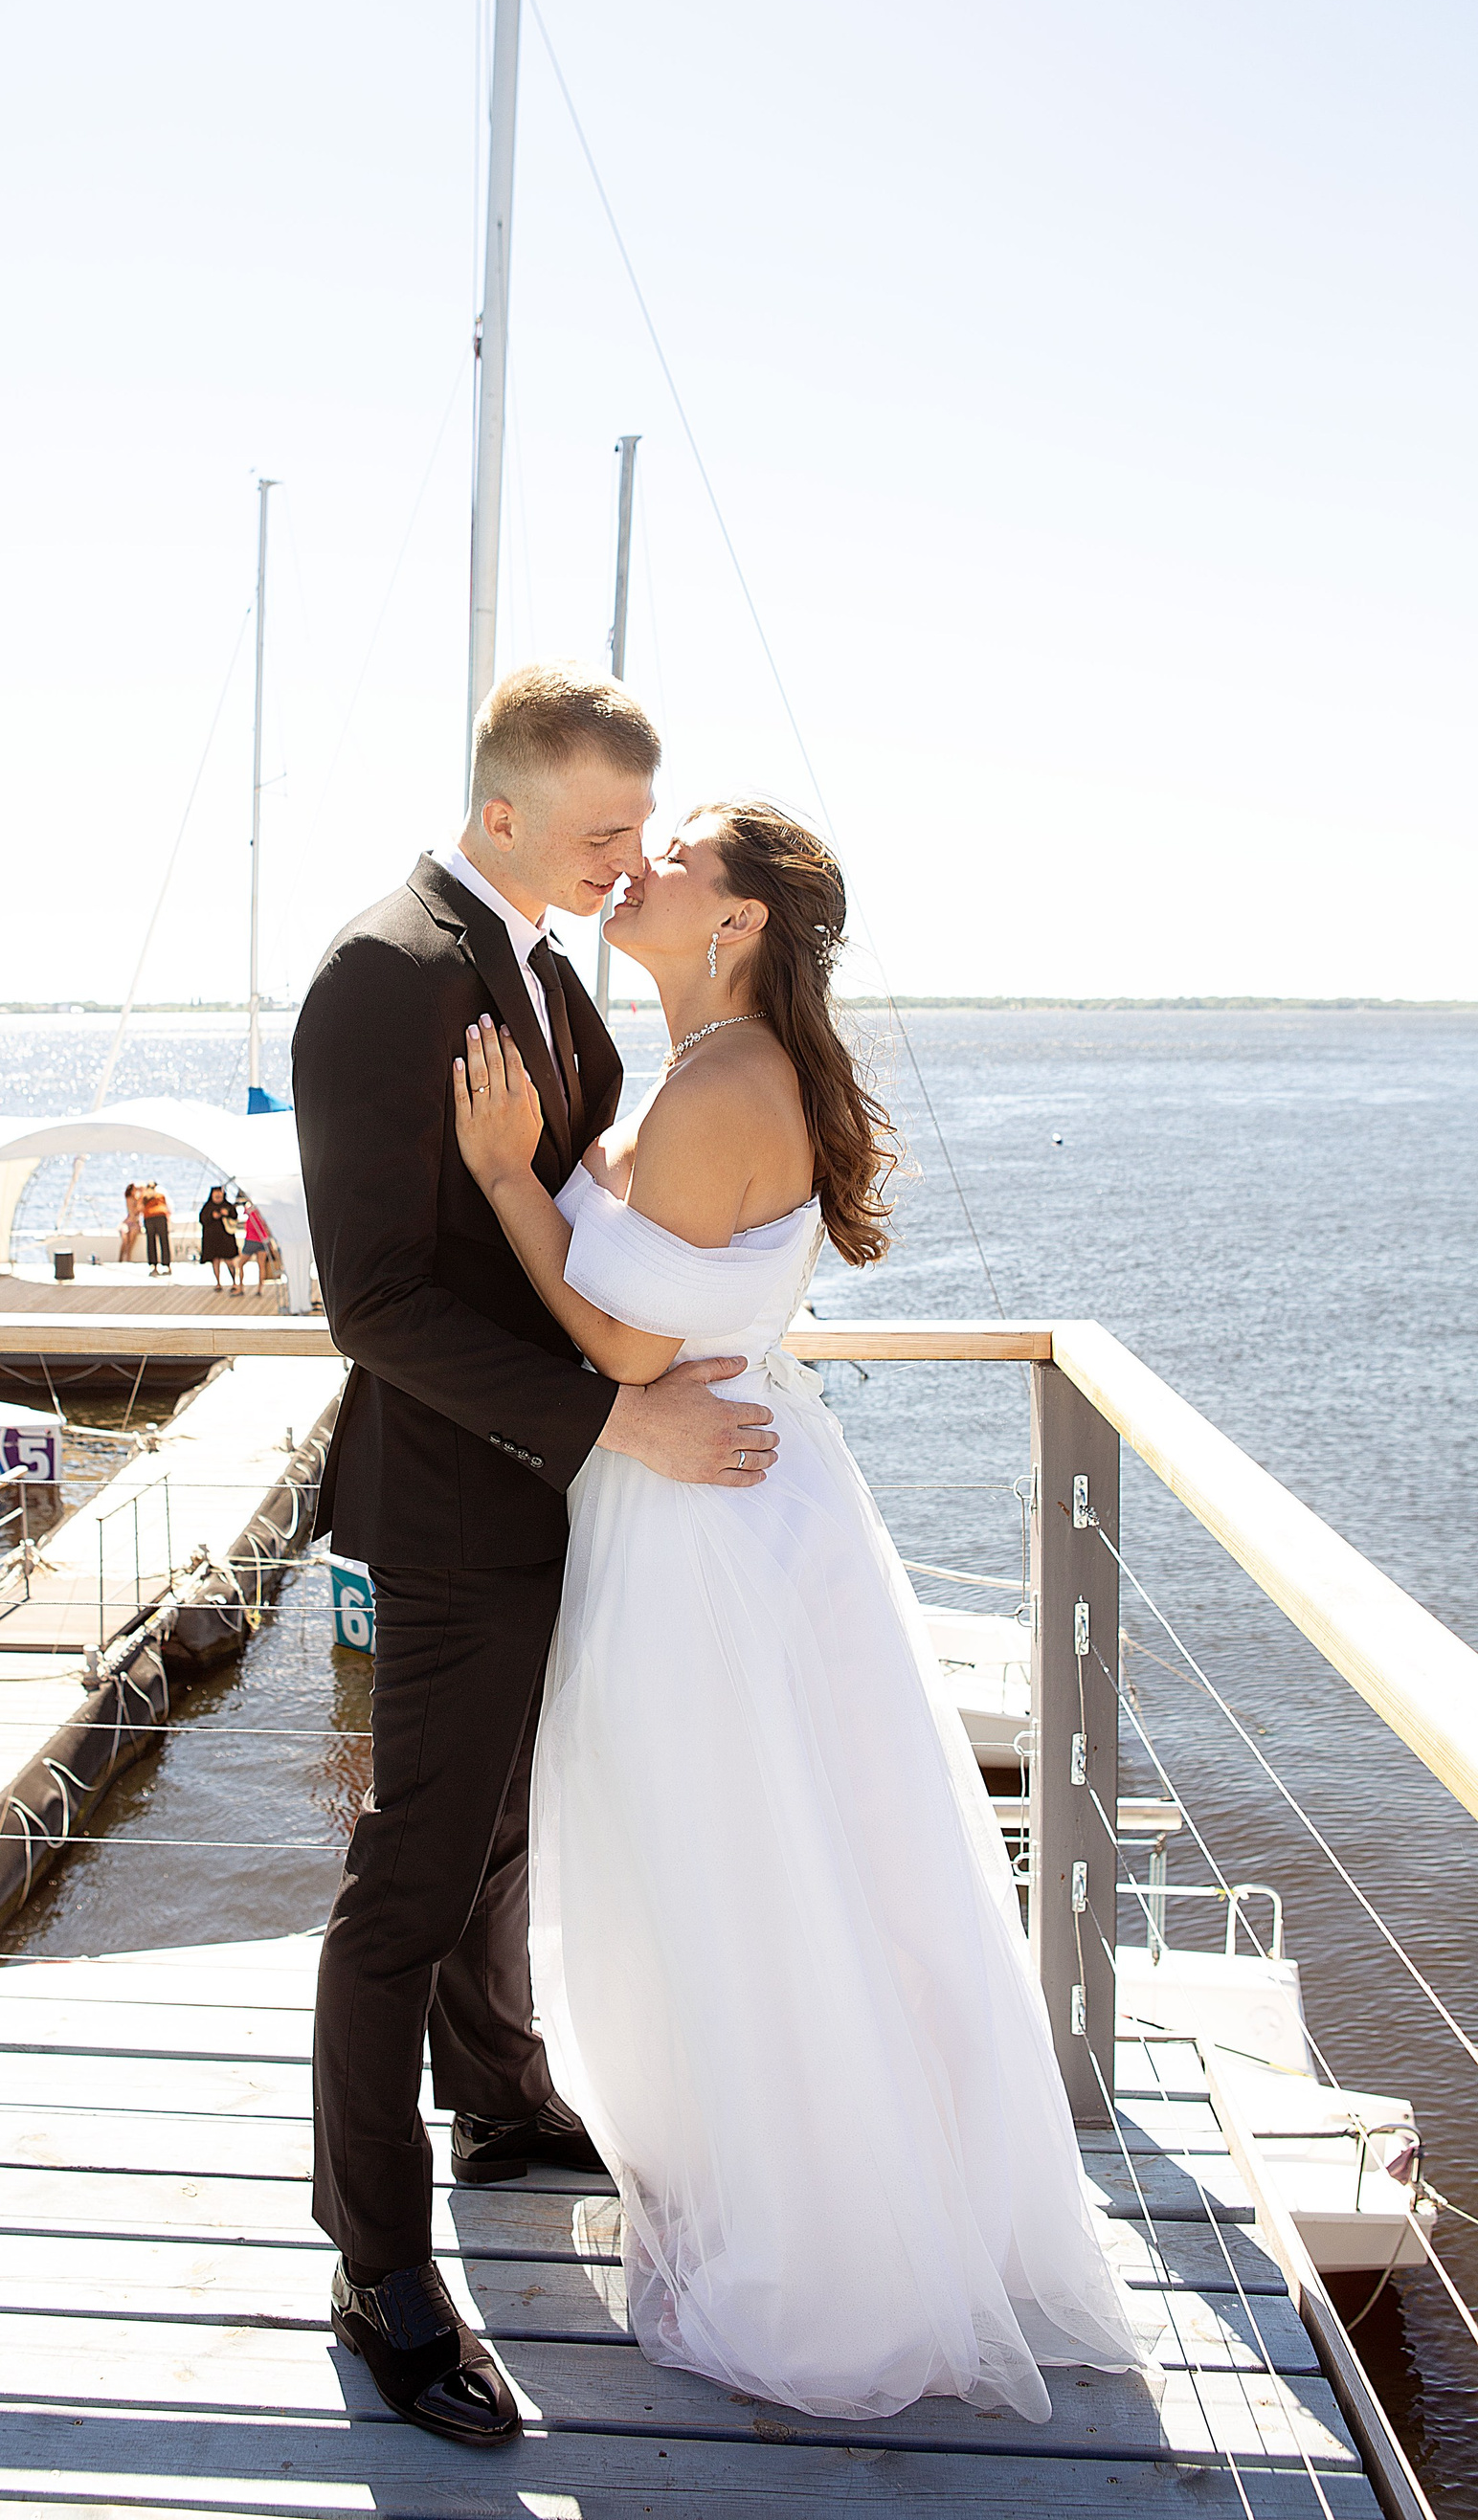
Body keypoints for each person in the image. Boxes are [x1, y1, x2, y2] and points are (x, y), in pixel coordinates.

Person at [449, 798, 1142, 2425]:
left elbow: (628, 1349)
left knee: (738, 1868)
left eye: (678, 853)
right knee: (764, 1864)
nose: (641, 865)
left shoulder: (721, 1086)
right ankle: (795, 2185)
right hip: (717, 1499)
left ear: (740, 917)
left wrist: (500, 1178)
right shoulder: (710, 1068)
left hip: (705, 1526)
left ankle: (822, 2249)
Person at [291, 665, 780, 2450]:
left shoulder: (551, 972)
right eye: (599, 831)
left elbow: (571, 1225)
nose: (625, 860)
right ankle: (377, 2268)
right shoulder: (384, 973)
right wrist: (618, 1423)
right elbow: (375, 1303)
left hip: (543, 1502)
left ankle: (498, 2098)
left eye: (642, 832)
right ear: (499, 813)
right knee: (405, 1880)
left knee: (502, 1834)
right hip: (426, 1519)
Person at [198, 1184, 240, 1292]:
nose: (218, 1195)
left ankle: (234, 1282)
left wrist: (227, 1213)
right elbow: (202, 1219)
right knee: (215, 1260)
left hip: (226, 1238)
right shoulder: (207, 1207)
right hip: (212, 1238)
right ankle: (218, 1283)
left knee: (229, 1261)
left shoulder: (228, 1205)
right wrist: (212, 1216)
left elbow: (235, 1216)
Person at [141, 1181, 171, 1275]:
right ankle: (166, 1265)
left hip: (150, 1217)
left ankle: (155, 1266)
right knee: (163, 1241)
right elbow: (167, 1208)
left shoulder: (145, 1197)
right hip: (159, 1217)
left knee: (151, 1242)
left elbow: (140, 1208)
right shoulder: (160, 1196)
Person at [118, 1182, 145, 1263]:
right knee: (125, 1238)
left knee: (132, 1236)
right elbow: (133, 1211)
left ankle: (128, 1256)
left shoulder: (139, 1200)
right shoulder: (129, 1199)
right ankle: (120, 1258)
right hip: (129, 1221)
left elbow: (138, 1211)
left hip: (135, 1223)